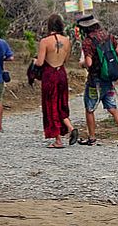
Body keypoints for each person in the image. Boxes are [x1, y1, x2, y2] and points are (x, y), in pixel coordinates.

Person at [77, 15, 118, 146]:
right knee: (112, 107)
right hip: (108, 80)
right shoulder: (109, 36)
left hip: (94, 81)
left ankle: (92, 137)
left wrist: (82, 63)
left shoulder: (88, 42)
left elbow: (88, 63)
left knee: (90, 108)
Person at [34, 14, 79, 149]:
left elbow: (40, 62)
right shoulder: (66, 40)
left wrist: (34, 61)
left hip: (49, 74)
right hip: (61, 73)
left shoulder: (45, 42)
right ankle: (70, 128)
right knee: (61, 103)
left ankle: (58, 139)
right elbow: (66, 60)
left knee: (50, 105)